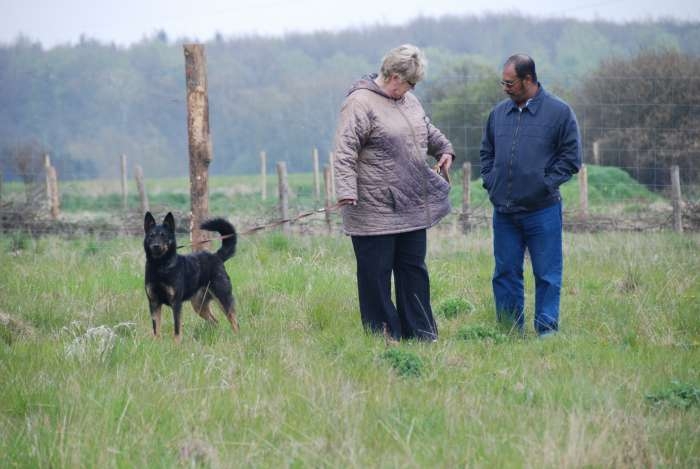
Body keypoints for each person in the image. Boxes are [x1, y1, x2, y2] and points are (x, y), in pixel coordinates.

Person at [333, 44, 454, 342]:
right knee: (375, 275)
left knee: (413, 270)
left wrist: (444, 148)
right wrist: (346, 190)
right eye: (411, 83)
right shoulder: (359, 103)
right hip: (373, 207)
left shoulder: (409, 101)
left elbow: (425, 129)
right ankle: (384, 337)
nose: (413, 89)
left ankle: (422, 335)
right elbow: (345, 150)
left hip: (411, 202)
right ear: (395, 77)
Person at [479, 53, 581, 337]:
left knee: (547, 274)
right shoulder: (498, 114)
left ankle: (546, 332)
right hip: (504, 212)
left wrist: (544, 184)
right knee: (505, 273)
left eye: (510, 83)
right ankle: (509, 329)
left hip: (542, 210)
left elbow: (571, 158)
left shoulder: (559, 113)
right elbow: (486, 153)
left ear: (528, 79)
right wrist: (492, 181)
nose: (505, 88)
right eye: (503, 82)